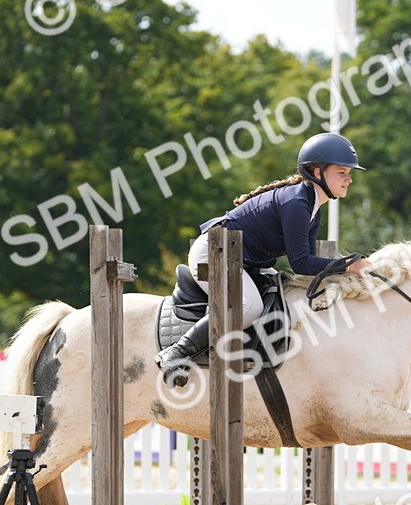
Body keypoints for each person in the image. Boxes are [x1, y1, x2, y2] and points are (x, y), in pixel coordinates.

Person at [153, 133, 372, 387]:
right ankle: (176, 353)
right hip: (215, 252)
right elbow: (301, 263)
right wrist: (347, 265)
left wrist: (346, 266)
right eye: (342, 172)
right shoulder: (297, 203)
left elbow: (307, 264)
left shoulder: (312, 208)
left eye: (349, 173)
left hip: (237, 258)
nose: (349, 179)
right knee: (249, 307)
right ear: (317, 172)